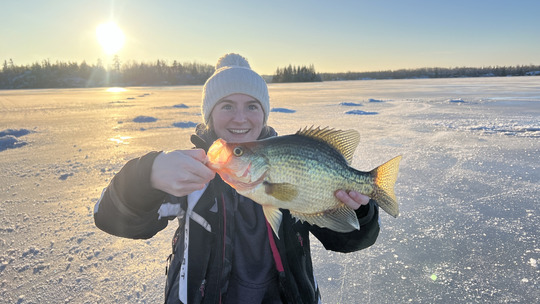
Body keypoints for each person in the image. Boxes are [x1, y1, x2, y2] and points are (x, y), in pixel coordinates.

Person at [94, 53, 380, 304]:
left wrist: (361, 211)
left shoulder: (289, 161)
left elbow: (351, 240)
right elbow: (109, 217)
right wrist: (149, 175)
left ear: (264, 114)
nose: (240, 118)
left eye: (252, 106)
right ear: (210, 115)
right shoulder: (188, 173)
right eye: (227, 106)